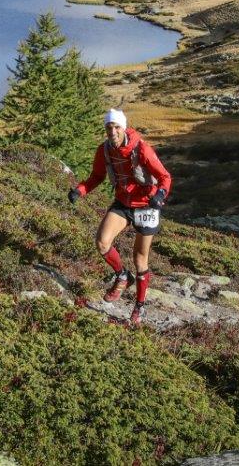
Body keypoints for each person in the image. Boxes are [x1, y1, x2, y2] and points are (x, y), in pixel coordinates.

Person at [68, 108, 173, 327]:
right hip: (123, 204)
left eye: (116, 127)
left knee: (139, 259)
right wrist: (80, 190)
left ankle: (139, 306)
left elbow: (164, 177)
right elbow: (97, 176)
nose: (112, 132)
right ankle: (122, 276)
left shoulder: (141, 148)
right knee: (102, 242)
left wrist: (160, 196)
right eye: (109, 127)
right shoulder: (104, 150)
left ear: (124, 128)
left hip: (146, 206)